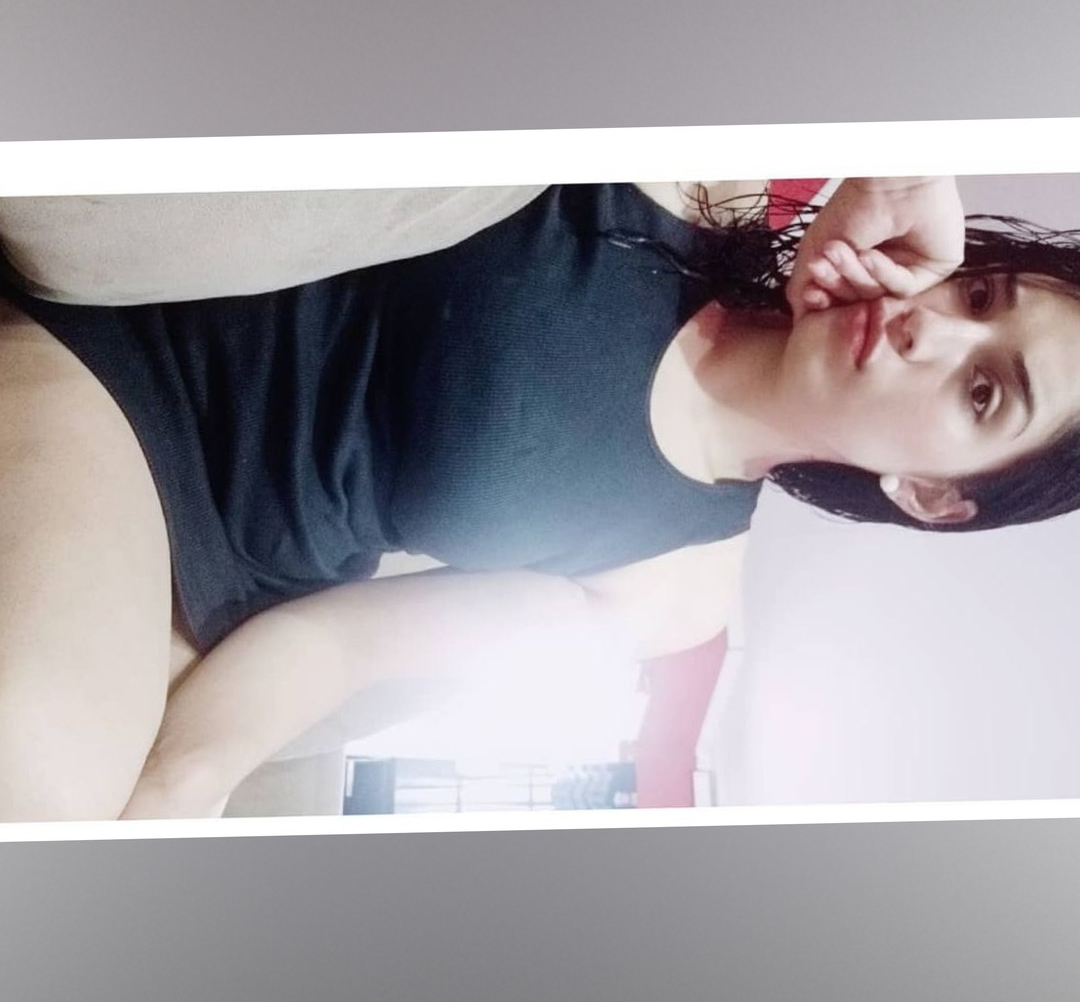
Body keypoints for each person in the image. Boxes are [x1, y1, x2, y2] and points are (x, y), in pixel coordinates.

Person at [0, 173, 1078, 822]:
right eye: (982, 294)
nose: (935, 327)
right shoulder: (696, 185)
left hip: (212, 567)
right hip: (118, 359)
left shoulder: (683, 588)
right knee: (34, 776)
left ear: (933, 496)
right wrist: (901, 154)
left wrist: (181, 792)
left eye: (983, 391)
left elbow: (336, 647)